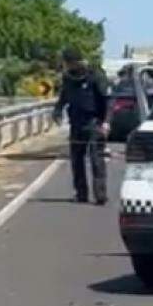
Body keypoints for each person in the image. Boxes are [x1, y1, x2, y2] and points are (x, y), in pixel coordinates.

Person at [54, 48, 110, 204]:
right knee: (76, 160)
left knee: (96, 160)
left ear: (75, 62)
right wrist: (57, 111)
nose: (66, 66)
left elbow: (107, 100)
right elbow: (64, 97)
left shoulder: (95, 76)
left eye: (67, 63)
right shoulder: (68, 78)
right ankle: (81, 193)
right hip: (76, 123)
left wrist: (106, 122)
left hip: (94, 123)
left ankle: (100, 195)